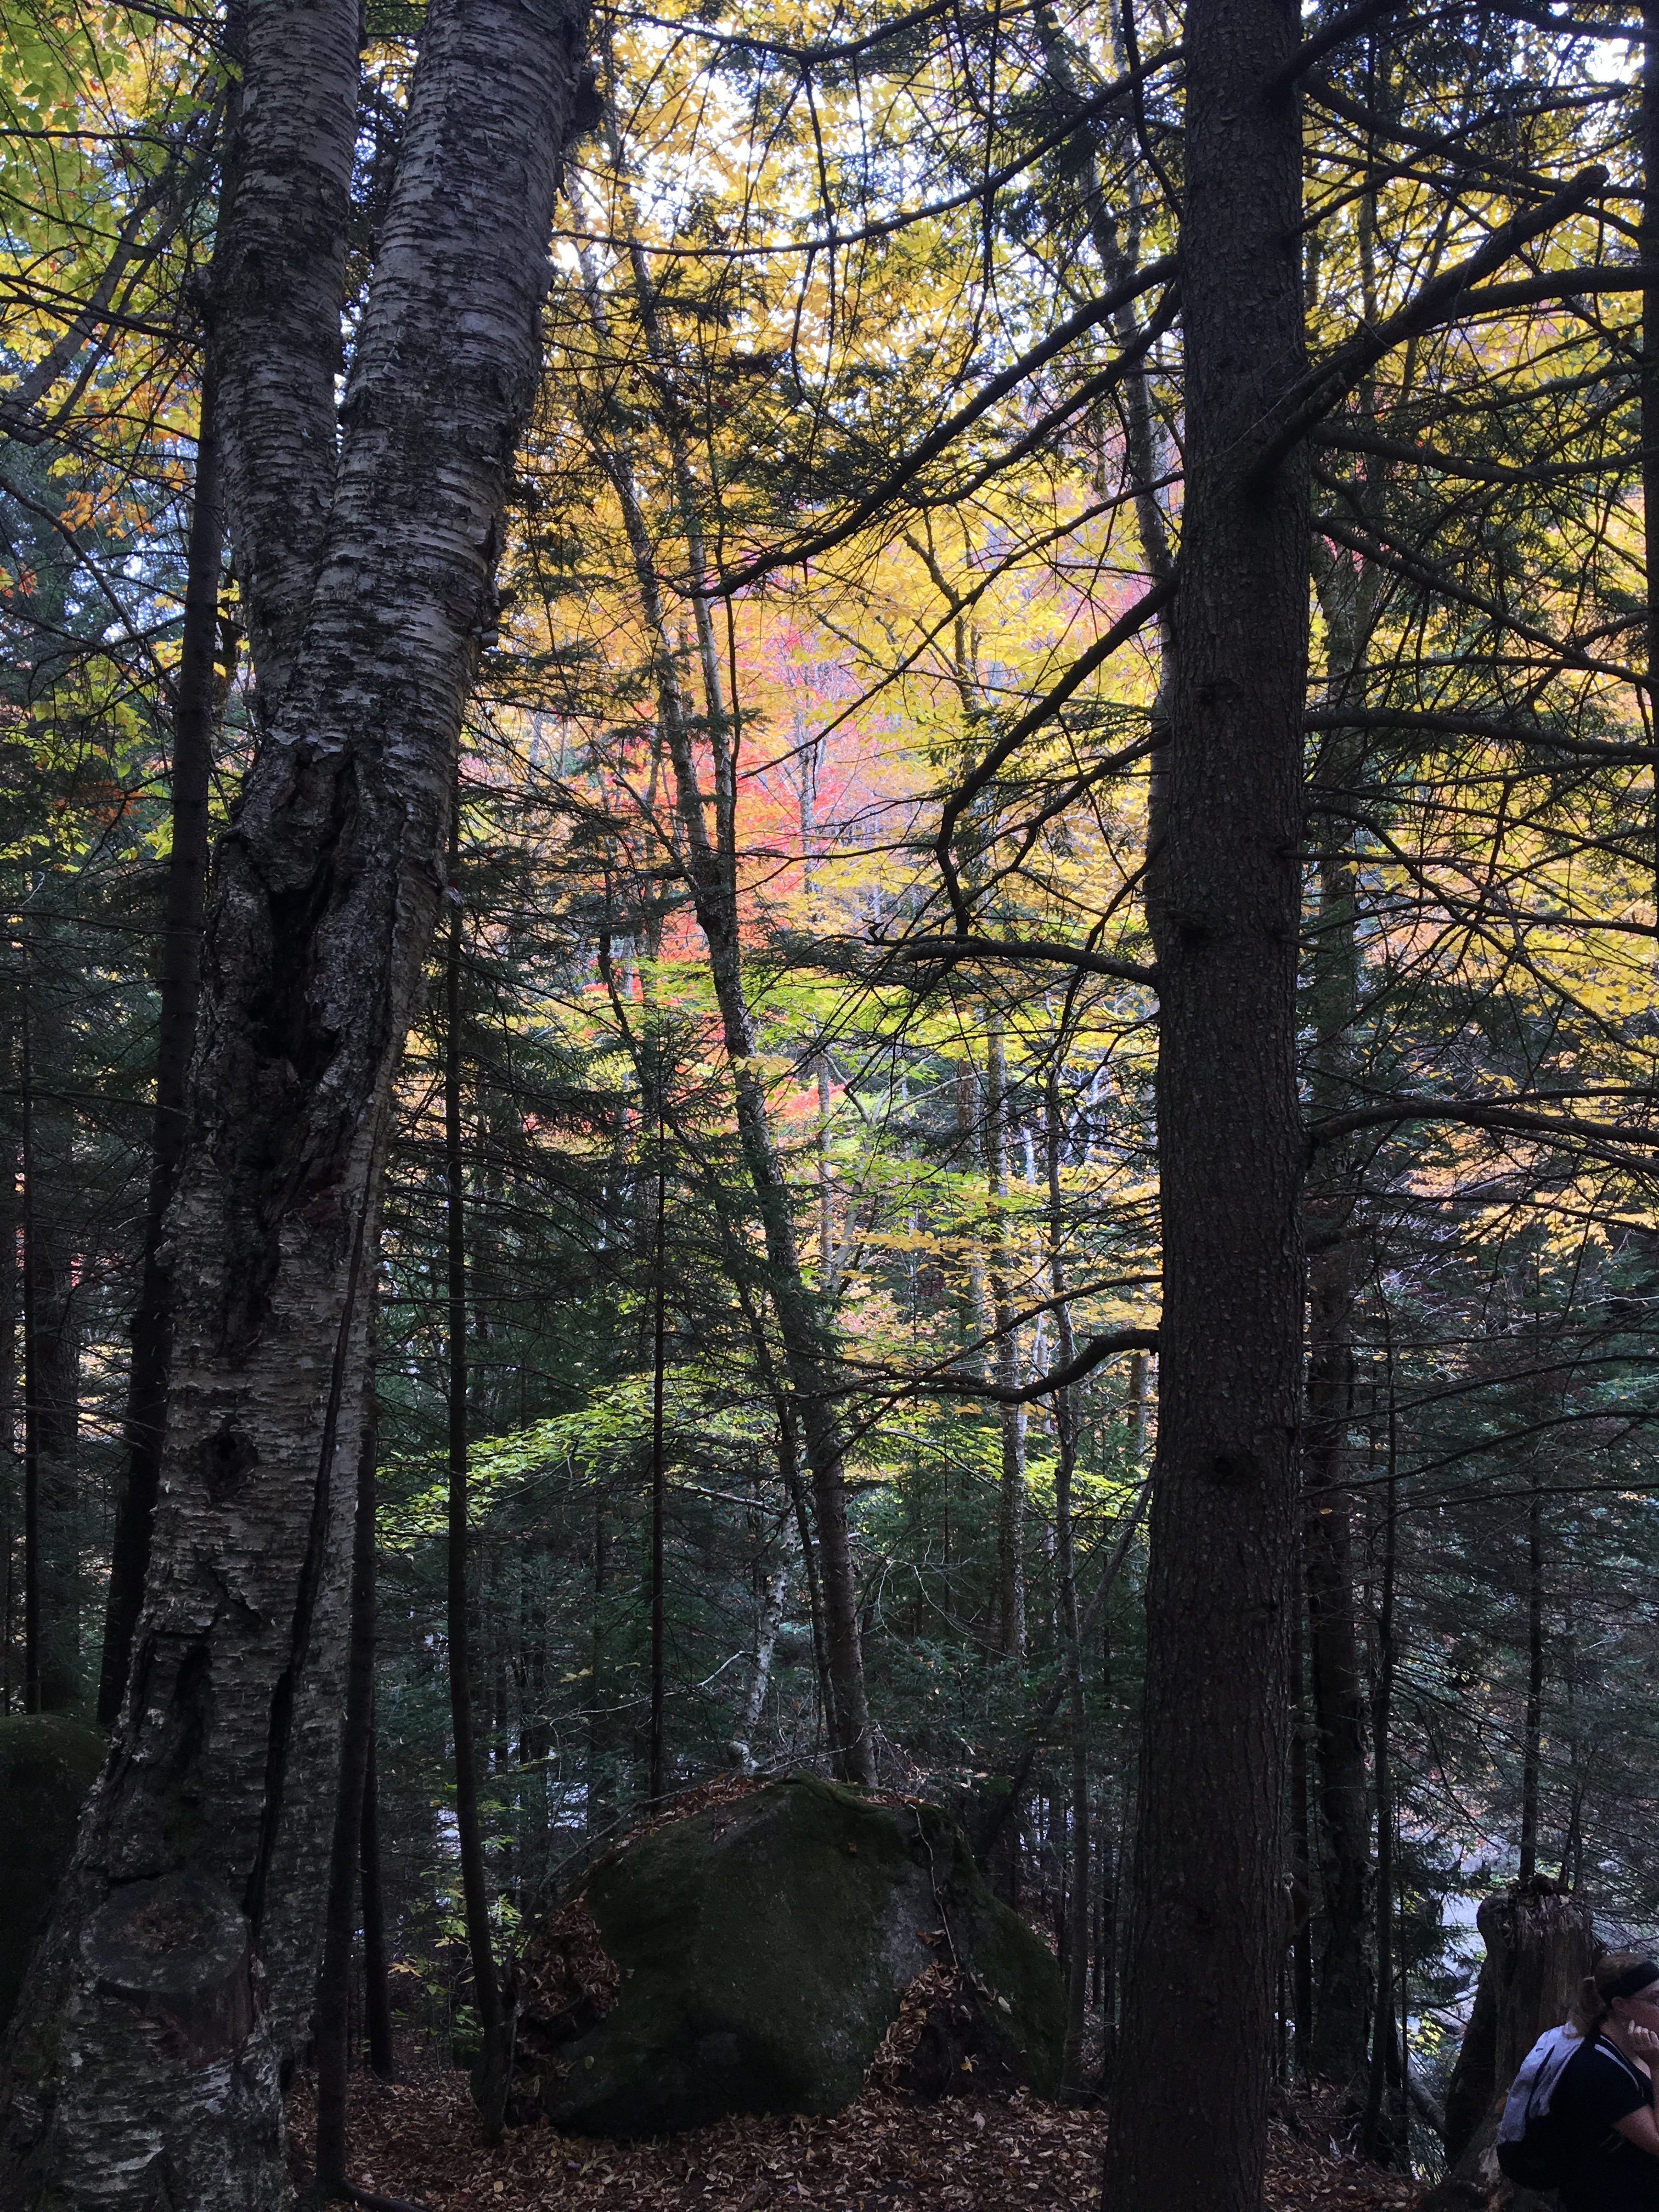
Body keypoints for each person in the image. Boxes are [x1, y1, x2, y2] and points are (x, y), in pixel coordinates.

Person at [1551, 1953, 1659, 2212]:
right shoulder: (1596, 2069)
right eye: (1656, 2000)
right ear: (1621, 2005)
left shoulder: (1644, 2048)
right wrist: (1657, 2066)